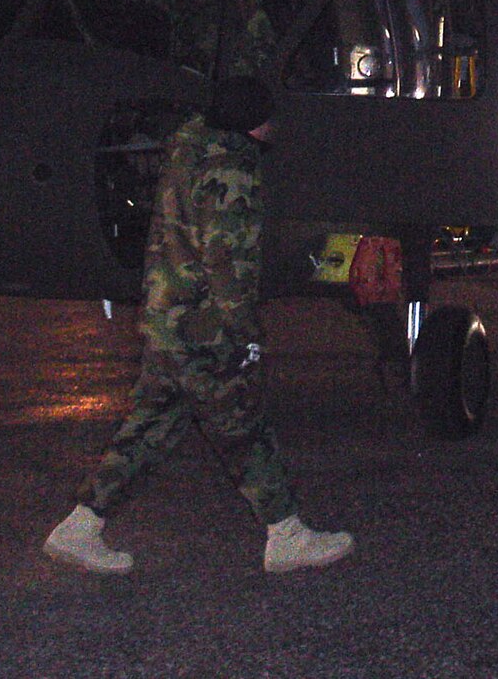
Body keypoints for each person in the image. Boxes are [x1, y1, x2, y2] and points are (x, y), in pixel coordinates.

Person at [43, 72, 353, 576]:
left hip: (169, 319)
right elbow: (228, 260)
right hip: (204, 326)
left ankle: (80, 526)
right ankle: (286, 534)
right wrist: (245, 333)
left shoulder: (188, 152)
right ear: (254, 123)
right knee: (244, 425)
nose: (276, 125)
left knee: (148, 428)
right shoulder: (231, 172)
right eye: (269, 117)